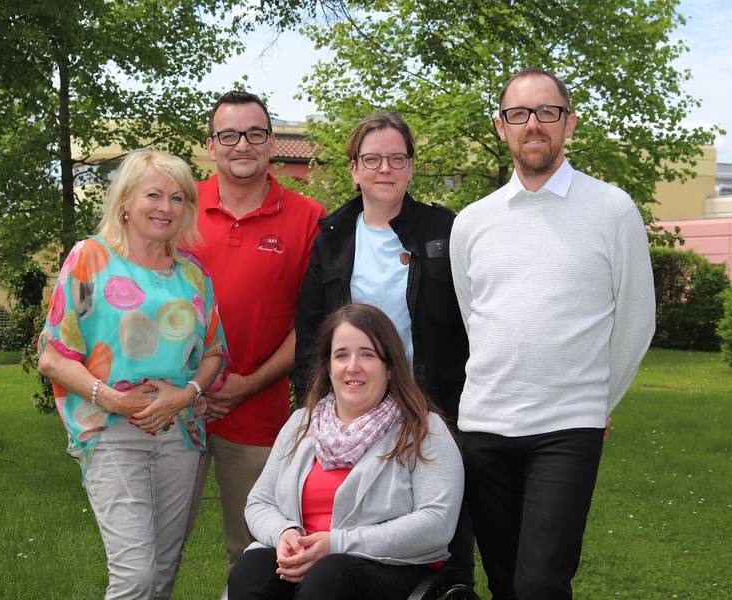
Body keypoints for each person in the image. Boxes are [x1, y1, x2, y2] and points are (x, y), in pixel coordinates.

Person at [449, 67, 656, 599]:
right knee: (502, 579)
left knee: (541, 582)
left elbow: (636, 319)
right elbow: (475, 316)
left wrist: (598, 401)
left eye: (548, 112)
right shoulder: (472, 222)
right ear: (501, 127)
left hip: (567, 427)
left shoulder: (612, 209)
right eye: (519, 114)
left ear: (570, 123)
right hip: (485, 425)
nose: (533, 124)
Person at [37, 150, 228, 600]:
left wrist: (187, 394)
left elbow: (216, 353)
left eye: (177, 198)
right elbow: (53, 355)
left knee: (162, 573)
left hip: (178, 434)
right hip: (112, 431)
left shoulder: (193, 275)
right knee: (135, 577)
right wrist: (115, 400)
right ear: (126, 201)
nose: (165, 207)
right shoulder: (90, 260)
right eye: (154, 195)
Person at [293, 111, 473, 584]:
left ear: (412, 166)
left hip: (435, 401)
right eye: (372, 159)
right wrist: (308, 404)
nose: (385, 169)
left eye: (397, 158)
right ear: (354, 168)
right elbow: (312, 329)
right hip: (356, 404)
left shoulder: (444, 231)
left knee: (444, 526)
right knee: (361, 516)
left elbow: (476, 315)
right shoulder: (332, 236)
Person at [228, 303, 464, 600]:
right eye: (341, 355)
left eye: (367, 354)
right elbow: (260, 502)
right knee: (251, 569)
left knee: (329, 576)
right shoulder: (302, 424)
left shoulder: (423, 429)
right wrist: (286, 535)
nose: (353, 366)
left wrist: (337, 544)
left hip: (389, 566)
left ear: (390, 367)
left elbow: (436, 523)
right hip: (308, 561)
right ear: (328, 367)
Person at [185, 90, 327, 568]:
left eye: (254, 133)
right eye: (228, 134)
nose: (241, 144)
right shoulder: (177, 206)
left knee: (255, 557)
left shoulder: (308, 218)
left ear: (270, 143)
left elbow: (311, 324)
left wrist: (248, 384)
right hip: (170, 410)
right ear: (211, 144)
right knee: (152, 555)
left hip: (256, 412)